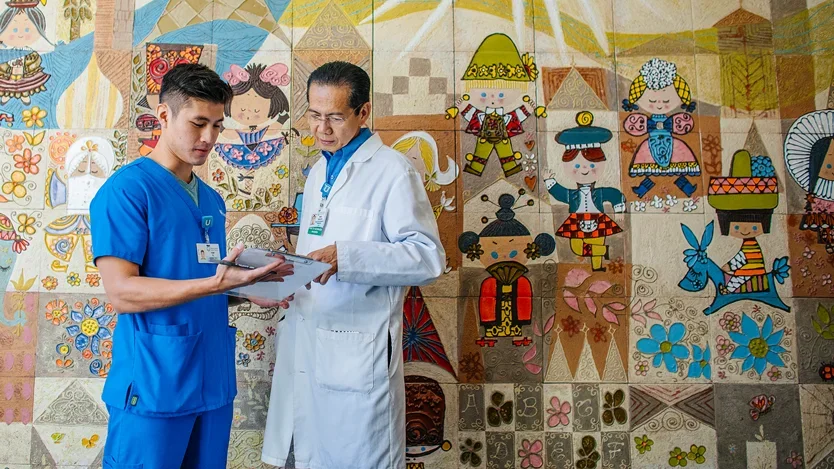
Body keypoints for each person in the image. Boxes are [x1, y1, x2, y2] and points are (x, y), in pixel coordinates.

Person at [90, 63, 293, 468]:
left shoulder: (211, 200)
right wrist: (217, 286)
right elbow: (122, 292)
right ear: (164, 115)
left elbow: (199, 283)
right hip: (154, 384)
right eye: (199, 123)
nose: (209, 138)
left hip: (211, 383)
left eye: (217, 126)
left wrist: (246, 290)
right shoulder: (127, 191)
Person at [261, 61, 445, 469]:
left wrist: (347, 256)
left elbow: (428, 258)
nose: (321, 129)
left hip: (359, 353)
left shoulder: (393, 173)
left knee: (356, 455)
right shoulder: (318, 173)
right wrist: (280, 280)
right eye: (313, 115)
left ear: (363, 114)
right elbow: (316, 256)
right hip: (310, 341)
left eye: (335, 117)